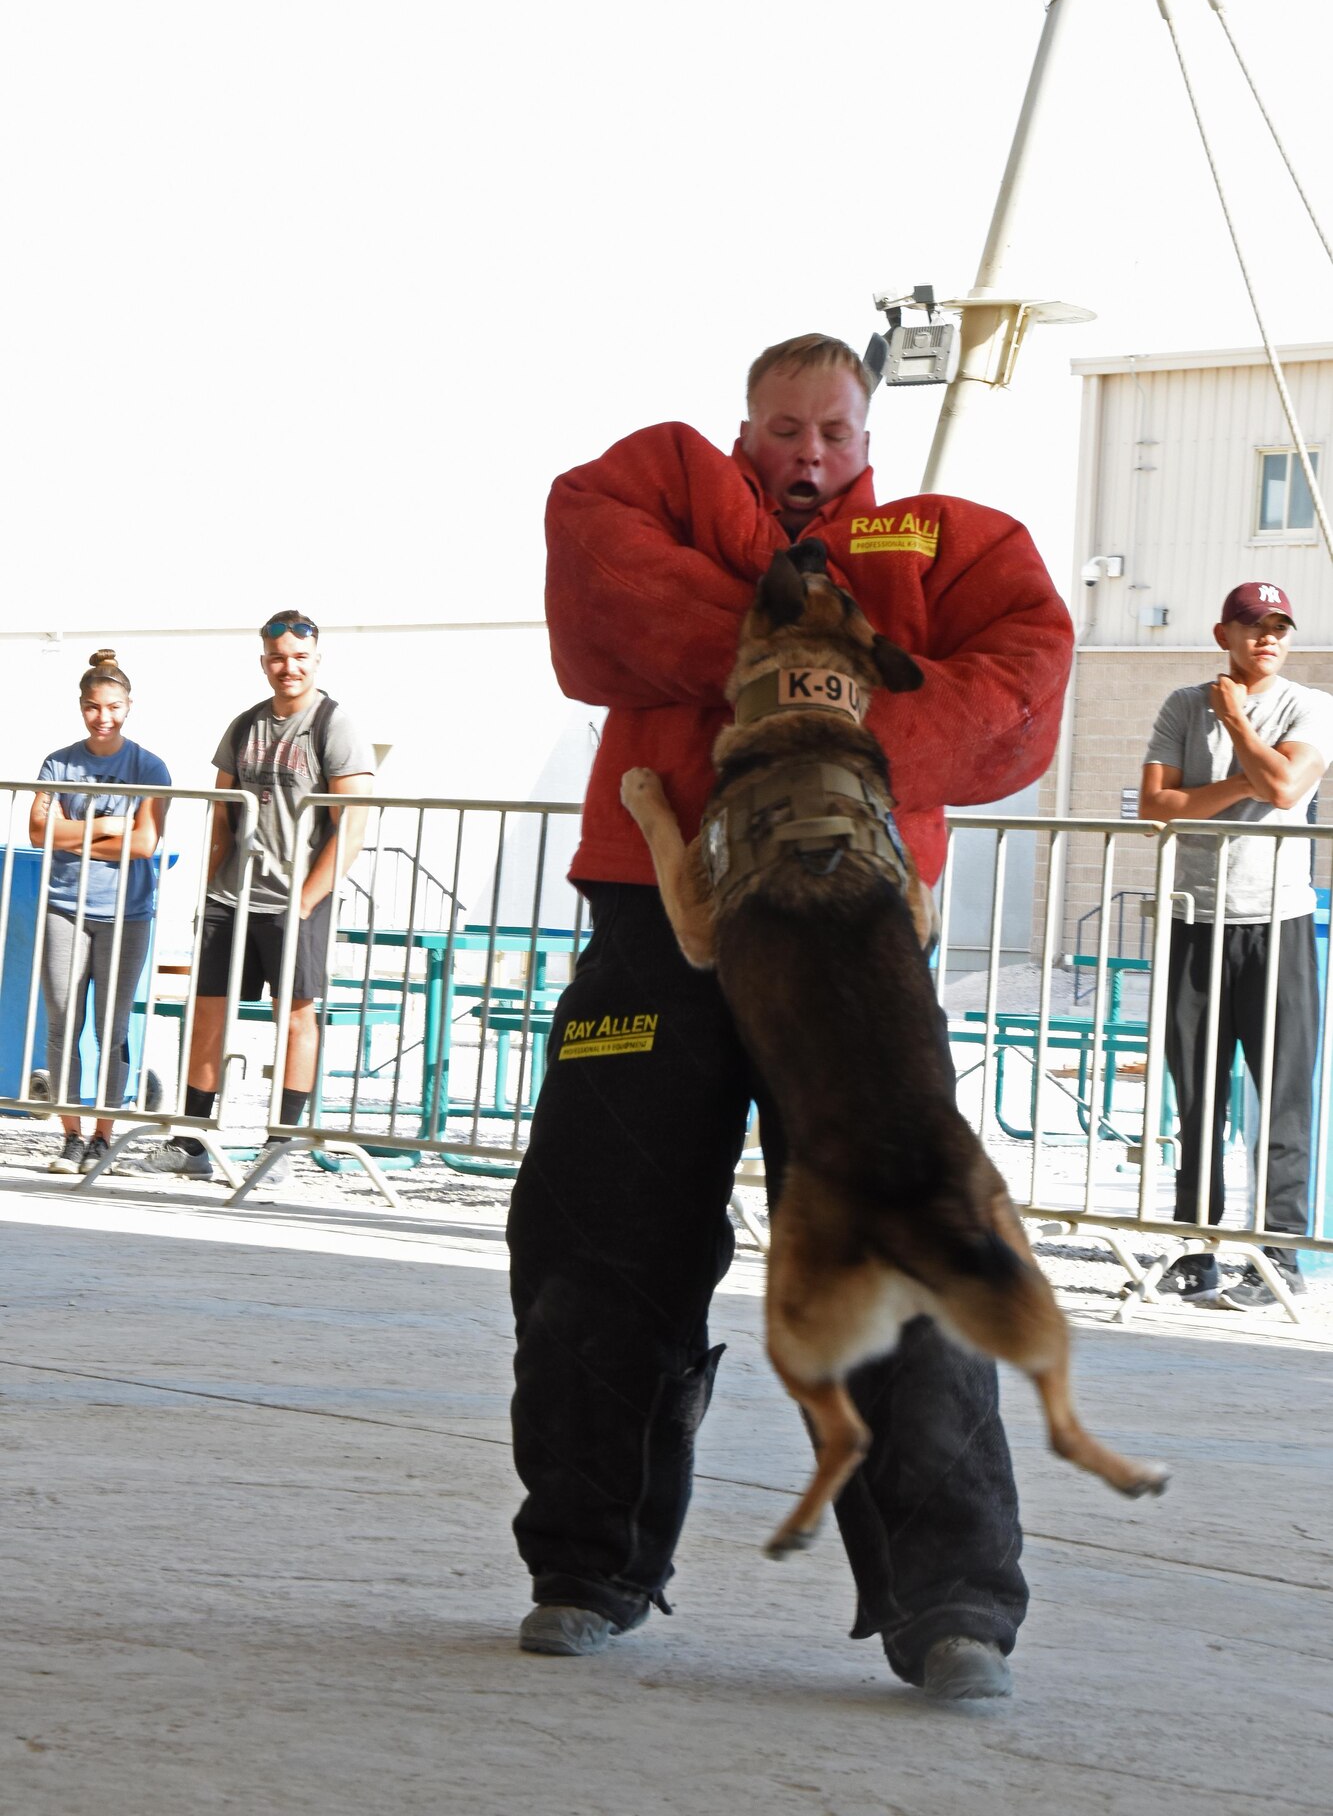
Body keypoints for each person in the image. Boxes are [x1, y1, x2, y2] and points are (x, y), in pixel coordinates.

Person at [506, 334, 1074, 1701]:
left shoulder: (947, 537)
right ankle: (589, 1565)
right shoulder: (657, 480)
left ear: (867, 434)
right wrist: (827, 666)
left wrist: (839, 715)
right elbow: (598, 592)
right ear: (744, 427)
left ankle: (953, 1606)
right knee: (600, 1231)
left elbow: (1026, 678)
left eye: (831, 429)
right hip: (660, 918)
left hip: (857, 924)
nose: (807, 453)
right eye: (781, 427)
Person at [1139, 580, 1333, 1309]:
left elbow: (1285, 790)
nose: (1267, 637)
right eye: (1252, 625)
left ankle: (1279, 1254)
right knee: (1196, 1096)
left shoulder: (1311, 706)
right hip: (1194, 918)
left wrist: (1240, 732)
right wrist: (1245, 778)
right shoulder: (1180, 706)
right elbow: (1158, 807)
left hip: (1277, 921)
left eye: (1279, 626)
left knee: (1281, 1095)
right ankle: (1196, 1249)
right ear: (1222, 633)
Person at [136, 610, 374, 1184]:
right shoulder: (244, 725)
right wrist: (211, 885)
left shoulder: (335, 725)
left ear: (316, 659)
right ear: (263, 661)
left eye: (299, 657)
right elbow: (223, 811)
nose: (287, 667)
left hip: (296, 900)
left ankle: (279, 1148)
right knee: (208, 1014)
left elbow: (354, 824)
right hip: (230, 897)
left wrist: (308, 901)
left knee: (294, 1019)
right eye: (277, 658)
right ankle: (191, 1141)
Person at [30, 650, 171, 1175]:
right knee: (63, 1022)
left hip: (125, 912)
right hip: (64, 907)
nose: (103, 717)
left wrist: (78, 836)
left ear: (129, 706)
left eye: (113, 706)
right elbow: (40, 833)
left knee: (111, 1029)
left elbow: (144, 842)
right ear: (81, 707)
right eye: (93, 706)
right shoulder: (57, 763)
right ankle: (70, 1135)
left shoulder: (150, 767)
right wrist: (110, 828)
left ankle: (103, 1134)